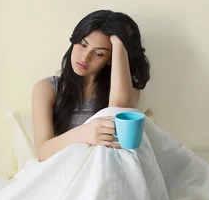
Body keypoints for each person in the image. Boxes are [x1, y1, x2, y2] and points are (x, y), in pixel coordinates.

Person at [32, 10, 151, 161]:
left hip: (105, 169)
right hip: (63, 171)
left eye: (99, 53)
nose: (85, 57)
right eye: (83, 44)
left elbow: (118, 110)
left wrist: (119, 43)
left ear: (111, 59)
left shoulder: (126, 90)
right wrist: (84, 133)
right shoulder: (46, 88)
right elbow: (43, 153)